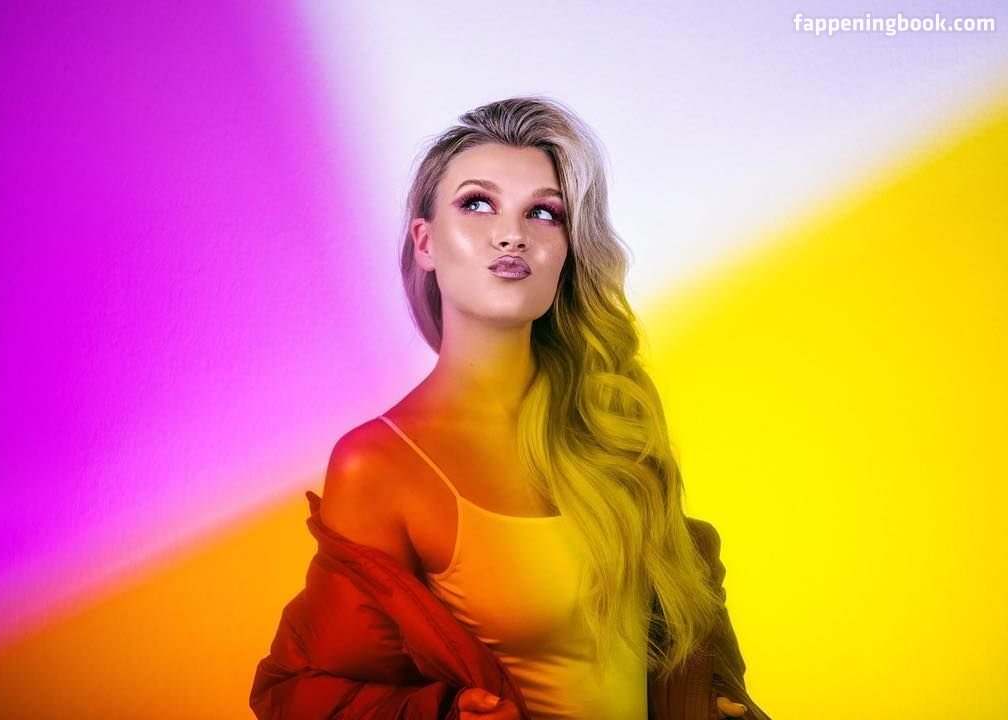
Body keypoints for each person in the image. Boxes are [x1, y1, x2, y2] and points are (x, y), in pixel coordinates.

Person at [250, 96, 770, 719]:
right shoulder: (378, 464)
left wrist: (714, 699)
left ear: (568, 250)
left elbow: (687, 622)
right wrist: (447, 714)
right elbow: (303, 691)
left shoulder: (613, 419)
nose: (512, 234)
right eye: (477, 203)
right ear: (425, 243)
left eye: (543, 213)